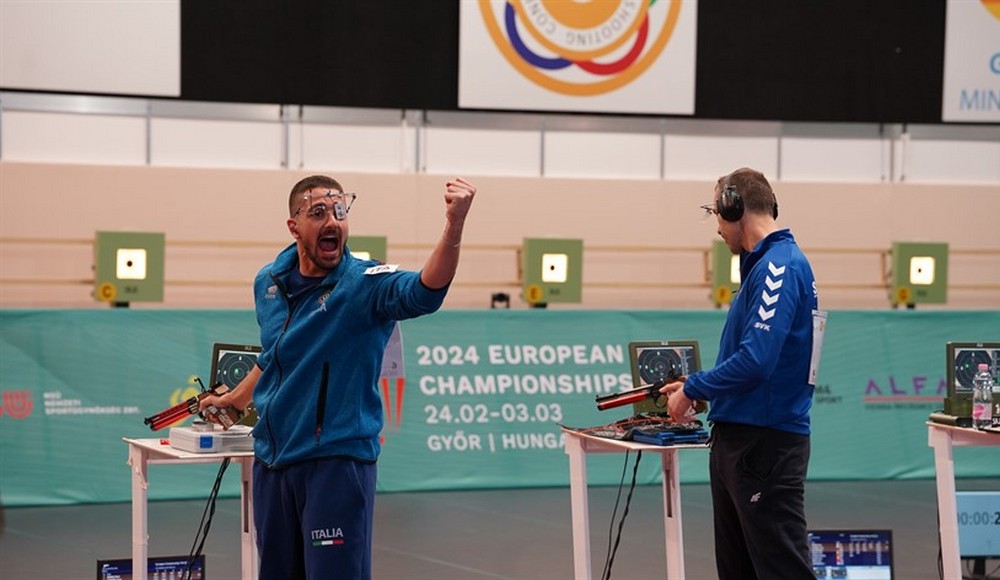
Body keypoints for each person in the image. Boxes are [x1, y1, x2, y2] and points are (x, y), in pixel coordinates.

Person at [200, 174, 476, 579]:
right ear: (294, 227)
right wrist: (237, 400)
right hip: (273, 464)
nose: (333, 221)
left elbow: (425, 290)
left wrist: (454, 226)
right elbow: (278, 353)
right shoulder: (268, 283)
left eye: (340, 211)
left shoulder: (365, 286)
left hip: (335, 465)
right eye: (318, 212)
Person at [660, 167, 820, 579]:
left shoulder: (777, 267)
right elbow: (759, 364)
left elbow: (757, 360)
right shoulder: (766, 265)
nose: (716, 227)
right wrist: (703, 390)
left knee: (782, 570)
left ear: (734, 208)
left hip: (762, 445)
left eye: (714, 212)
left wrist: (695, 385)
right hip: (744, 440)